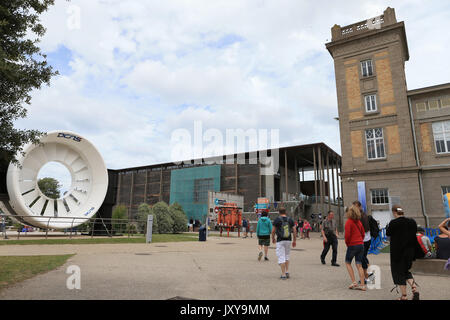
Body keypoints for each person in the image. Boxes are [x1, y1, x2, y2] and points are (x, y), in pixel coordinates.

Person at [386, 205, 420, 300]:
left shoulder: (393, 223)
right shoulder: (412, 222)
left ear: (394, 212)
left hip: (398, 253)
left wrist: (388, 226)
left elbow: (388, 233)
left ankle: (404, 296)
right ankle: (414, 289)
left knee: (398, 273)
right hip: (410, 252)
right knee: (406, 271)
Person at [344, 205, 366, 291]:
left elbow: (347, 236)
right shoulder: (359, 222)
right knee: (359, 265)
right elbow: (363, 233)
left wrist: (348, 244)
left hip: (352, 245)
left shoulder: (349, 222)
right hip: (360, 244)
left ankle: (354, 282)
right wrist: (360, 241)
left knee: (348, 262)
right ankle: (363, 285)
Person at [271, 207, 296, 280]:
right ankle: (287, 271)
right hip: (288, 240)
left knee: (281, 256)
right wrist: (294, 240)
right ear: (286, 212)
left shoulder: (277, 219)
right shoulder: (290, 219)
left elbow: (273, 231)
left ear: (279, 212)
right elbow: (294, 230)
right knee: (287, 255)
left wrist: (273, 238)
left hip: (280, 240)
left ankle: (283, 274)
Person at [353, 201, 372, 284]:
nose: (354, 208)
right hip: (366, 239)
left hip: (364, 240)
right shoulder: (363, 214)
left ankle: (368, 276)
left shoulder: (361, 216)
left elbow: (363, 229)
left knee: (362, 258)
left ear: (360, 207)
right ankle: (368, 276)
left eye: (355, 207)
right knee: (364, 257)